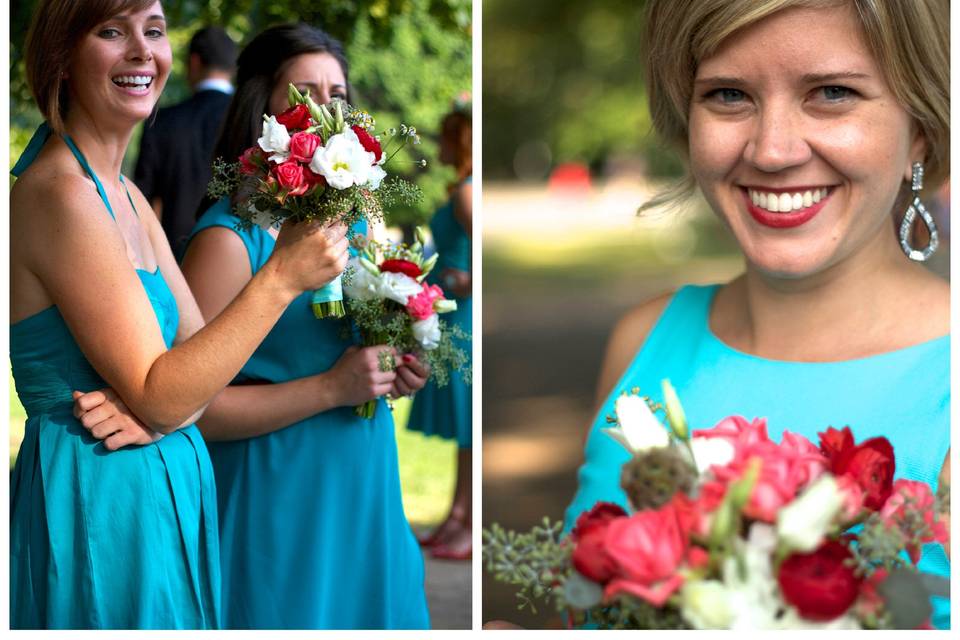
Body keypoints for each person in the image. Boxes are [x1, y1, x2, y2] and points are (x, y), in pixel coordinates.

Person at [561, 0, 950, 630]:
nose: (771, 151)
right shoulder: (641, 341)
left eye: (831, 93)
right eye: (729, 95)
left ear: (922, 127)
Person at [10, 0, 347, 629]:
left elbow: (196, 377)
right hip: (100, 502)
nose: (142, 50)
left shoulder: (129, 196)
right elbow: (173, 391)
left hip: (163, 490)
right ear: (61, 56)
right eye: (112, 31)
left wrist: (163, 411)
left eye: (155, 31)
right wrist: (280, 277)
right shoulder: (60, 194)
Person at [176, 24, 431, 629]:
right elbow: (193, 410)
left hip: (363, 478)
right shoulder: (227, 241)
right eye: (304, 94)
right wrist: (331, 389)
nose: (325, 112)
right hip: (277, 496)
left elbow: (362, 345)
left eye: (336, 95)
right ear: (262, 109)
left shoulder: (360, 221)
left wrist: (395, 362)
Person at [408, 103, 473, 560]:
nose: (439, 146)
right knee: (460, 428)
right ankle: (456, 514)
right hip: (449, 313)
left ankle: (467, 521)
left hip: (464, 315)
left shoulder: (469, 194)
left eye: (445, 137)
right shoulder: (462, 189)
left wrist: (465, 281)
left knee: (468, 424)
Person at [134, 25, 237, 259]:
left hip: (176, 253)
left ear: (194, 62)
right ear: (232, 67)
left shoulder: (162, 120)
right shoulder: (250, 119)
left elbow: (142, 198)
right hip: (238, 255)